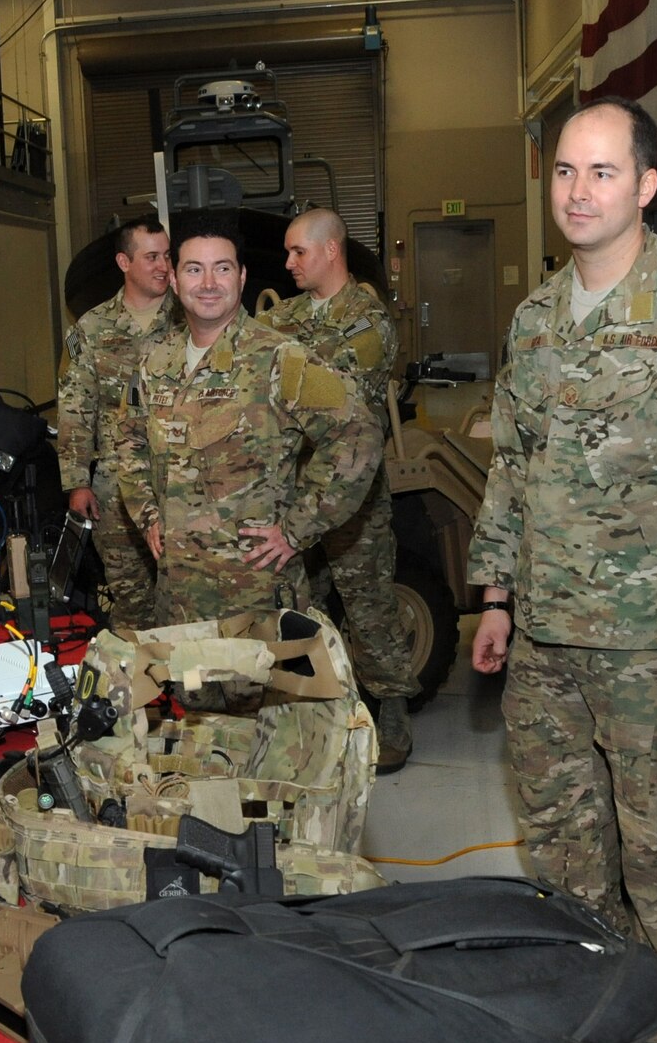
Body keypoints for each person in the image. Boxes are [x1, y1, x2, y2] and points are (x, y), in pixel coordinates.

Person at [467, 97, 657, 1003]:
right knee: (566, 863)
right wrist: (495, 598)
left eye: (601, 171)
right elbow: (513, 467)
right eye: (564, 171)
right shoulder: (536, 320)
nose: (578, 190)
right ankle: (599, 1041)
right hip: (547, 647)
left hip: (653, 649)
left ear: (643, 184)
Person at [114, 213, 381, 625]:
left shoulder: (280, 359)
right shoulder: (154, 364)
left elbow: (359, 435)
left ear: (241, 278)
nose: (207, 284)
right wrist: (147, 515)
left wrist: (297, 529)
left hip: (258, 601)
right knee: (187, 690)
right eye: (194, 269)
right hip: (180, 601)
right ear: (173, 279)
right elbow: (128, 440)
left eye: (221, 269)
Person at [265, 208, 421, 772]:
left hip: (352, 495)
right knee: (293, 608)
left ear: (331, 250)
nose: (288, 264)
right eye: (286, 253)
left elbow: (338, 397)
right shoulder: (288, 316)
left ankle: (393, 718)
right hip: (293, 493)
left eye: (297, 252)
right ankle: (310, 717)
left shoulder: (369, 322)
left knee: (368, 606)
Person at [55, 216, 173, 629]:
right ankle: (139, 689)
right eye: (152, 257)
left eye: (167, 255)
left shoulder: (193, 315)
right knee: (130, 599)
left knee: (188, 602)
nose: (164, 266)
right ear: (124, 262)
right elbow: (74, 408)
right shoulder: (92, 329)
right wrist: (77, 482)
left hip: (183, 486)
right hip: (117, 489)